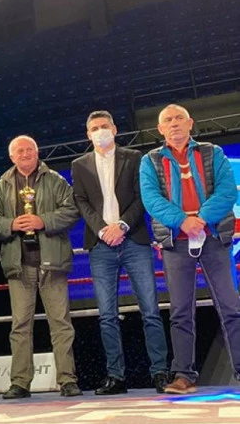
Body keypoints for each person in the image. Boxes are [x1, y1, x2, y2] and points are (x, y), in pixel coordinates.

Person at [140, 104, 240, 394]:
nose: (174, 123)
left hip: (213, 239)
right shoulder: (150, 160)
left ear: (190, 123)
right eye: (168, 120)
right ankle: (184, 375)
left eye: (179, 118)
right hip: (176, 243)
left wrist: (202, 219)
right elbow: (151, 199)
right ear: (160, 129)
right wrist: (182, 221)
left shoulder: (212, 152)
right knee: (181, 311)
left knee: (231, 307)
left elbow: (227, 191)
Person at [71, 110, 168, 395]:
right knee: (107, 315)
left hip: (134, 239)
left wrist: (122, 225)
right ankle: (115, 376)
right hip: (100, 244)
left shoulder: (135, 158)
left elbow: (142, 196)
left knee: (150, 310)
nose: (100, 131)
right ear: (88, 134)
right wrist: (103, 230)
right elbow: (81, 200)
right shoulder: (79, 164)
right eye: (94, 128)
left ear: (114, 129)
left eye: (104, 126)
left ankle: (160, 372)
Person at [0, 135, 82, 399]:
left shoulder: (55, 180)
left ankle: (67, 380)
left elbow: (72, 210)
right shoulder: (2, 185)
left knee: (61, 323)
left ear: (37, 152)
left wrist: (43, 221)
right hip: (19, 264)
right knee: (20, 326)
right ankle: (20, 383)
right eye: (20, 150)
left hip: (52, 262)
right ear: (11, 156)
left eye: (30, 149)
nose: (25, 153)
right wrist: (10, 224)